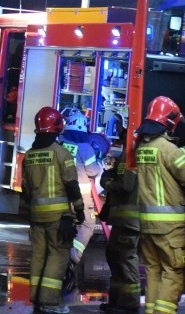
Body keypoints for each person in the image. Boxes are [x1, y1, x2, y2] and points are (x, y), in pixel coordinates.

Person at [21, 106, 85, 314]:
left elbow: (26, 190)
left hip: (36, 216)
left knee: (39, 256)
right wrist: (79, 209)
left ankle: (36, 299)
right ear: (57, 127)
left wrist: (28, 213)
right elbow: (71, 185)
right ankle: (48, 303)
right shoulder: (62, 153)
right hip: (59, 218)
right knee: (57, 257)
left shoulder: (29, 156)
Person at [134, 96, 185, 314]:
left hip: (148, 226)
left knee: (153, 270)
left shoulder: (143, 147)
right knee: (173, 271)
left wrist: (183, 152)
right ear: (169, 121)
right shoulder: (169, 149)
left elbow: (164, 160)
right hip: (170, 228)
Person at [58, 107, 104, 274]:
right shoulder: (85, 148)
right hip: (81, 198)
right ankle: (73, 257)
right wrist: (98, 157)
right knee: (87, 224)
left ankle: (58, 255)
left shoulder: (60, 144)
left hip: (61, 195)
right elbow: (94, 171)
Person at [98, 150, 141, 313]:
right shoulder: (132, 151)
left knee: (125, 261)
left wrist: (106, 181)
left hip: (128, 221)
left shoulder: (131, 153)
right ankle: (117, 301)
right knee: (116, 258)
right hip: (124, 220)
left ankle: (129, 304)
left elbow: (126, 185)